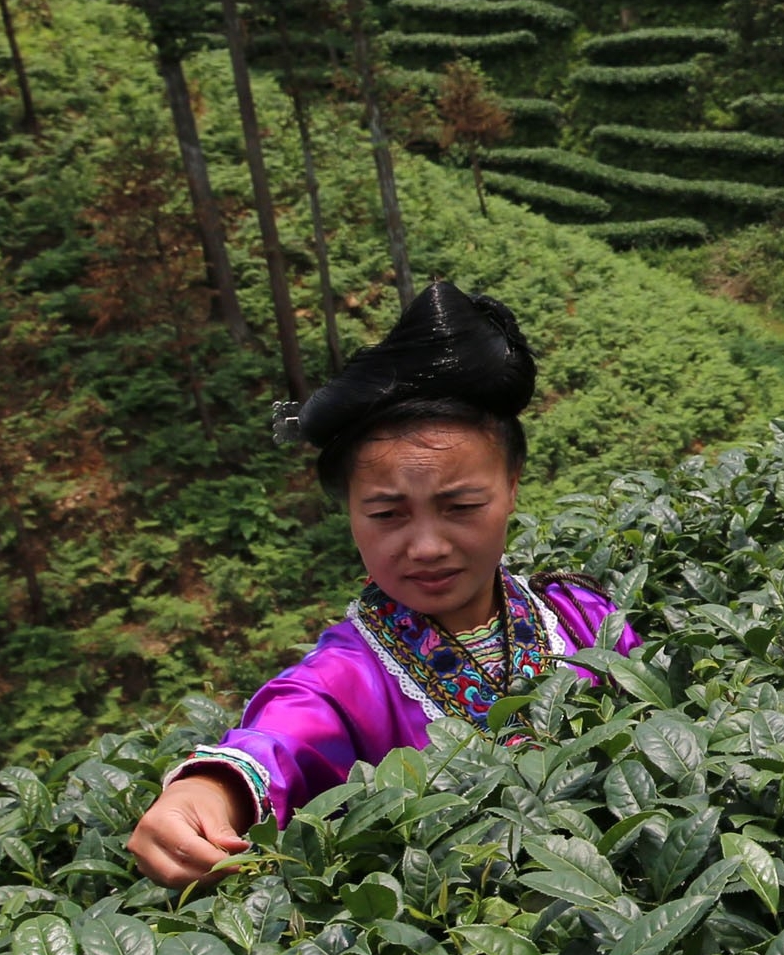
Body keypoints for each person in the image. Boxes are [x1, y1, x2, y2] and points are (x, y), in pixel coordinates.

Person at [127, 281, 638, 886]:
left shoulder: (580, 614)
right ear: (349, 510)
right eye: (387, 514)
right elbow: (281, 737)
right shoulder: (345, 679)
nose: (426, 546)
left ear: (513, 486)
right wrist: (208, 792)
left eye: (462, 505)